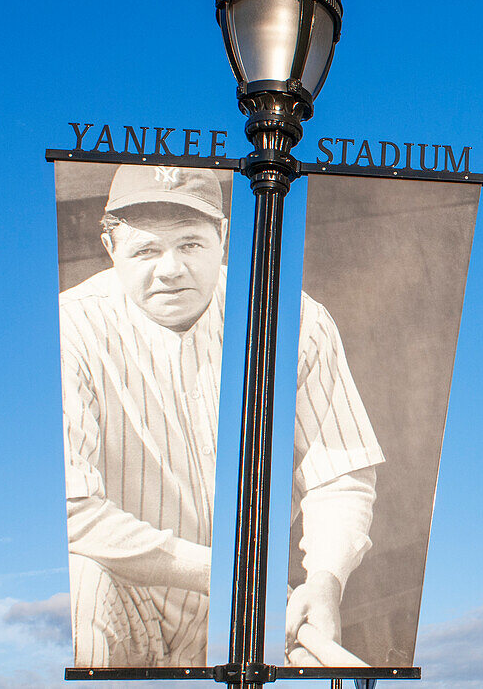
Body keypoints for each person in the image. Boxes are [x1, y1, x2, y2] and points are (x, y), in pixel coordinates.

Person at [60, 164, 383, 667]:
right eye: (146, 249)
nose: (170, 268)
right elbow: (69, 511)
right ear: (110, 247)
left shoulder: (291, 318)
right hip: (125, 597)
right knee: (79, 581)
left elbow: (339, 474)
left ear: (224, 237)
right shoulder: (69, 327)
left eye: (189, 244)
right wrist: (227, 570)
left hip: (252, 610)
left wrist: (325, 578)